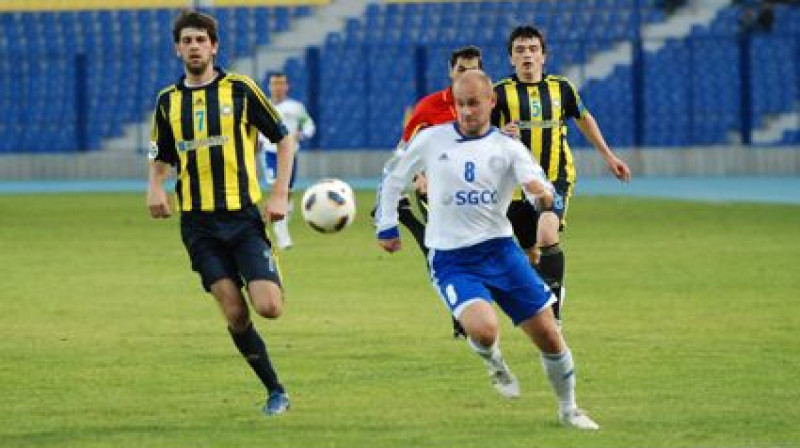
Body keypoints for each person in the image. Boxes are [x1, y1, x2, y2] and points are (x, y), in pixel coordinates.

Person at [375, 70, 600, 430]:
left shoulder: (509, 147)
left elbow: (540, 189)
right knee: (484, 329)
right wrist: (386, 224)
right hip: (452, 259)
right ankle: (495, 363)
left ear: (491, 103)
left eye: (474, 104)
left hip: (501, 252)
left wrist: (541, 196)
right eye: (461, 104)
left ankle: (569, 409)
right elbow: (394, 177)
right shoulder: (432, 140)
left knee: (550, 335)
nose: (466, 111)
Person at [146, 10, 294, 417]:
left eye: (201, 40)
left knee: (270, 307)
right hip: (198, 224)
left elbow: (284, 140)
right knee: (234, 310)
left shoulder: (241, 90)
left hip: (243, 217)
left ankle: (270, 267)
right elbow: (161, 154)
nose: (194, 46)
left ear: (214, 46)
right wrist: (155, 186)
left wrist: (280, 194)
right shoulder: (167, 101)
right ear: (178, 49)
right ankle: (275, 390)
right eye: (187, 40)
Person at [491, 26, 632, 324]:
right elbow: (477, 134)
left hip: (555, 177)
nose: (527, 55)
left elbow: (584, 117)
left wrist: (608, 156)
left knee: (547, 234)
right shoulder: (499, 93)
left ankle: (552, 314)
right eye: (520, 50)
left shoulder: (562, 89)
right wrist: (497, 133)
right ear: (510, 59)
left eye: (532, 49)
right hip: (515, 187)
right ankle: (548, 287)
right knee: (531, 253)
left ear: (544, 55)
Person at [393, 45, 483, 339]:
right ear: (451, 71)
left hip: (479, 191)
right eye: (461, 70)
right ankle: (461, 317)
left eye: (472, 70)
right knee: (447, 250)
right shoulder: (430, 106)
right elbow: (407, 149)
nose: (466, 75)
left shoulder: (489, 102)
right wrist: (419, 175)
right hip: (436, 189)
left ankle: (405, 217)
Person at [258, 72, 316, 250]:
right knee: (276, 187)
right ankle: (282, 234)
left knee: (287, 191)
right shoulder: (262, 105)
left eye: (281, 83)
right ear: (269, 86)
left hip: (290, 154)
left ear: (287, 86)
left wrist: (302, 134)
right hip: (269, 153)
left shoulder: (296, 107)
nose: (278, 87)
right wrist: (258, 140)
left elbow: (309, 125)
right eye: (274, 84)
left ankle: (276, 225)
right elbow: (255, 126)